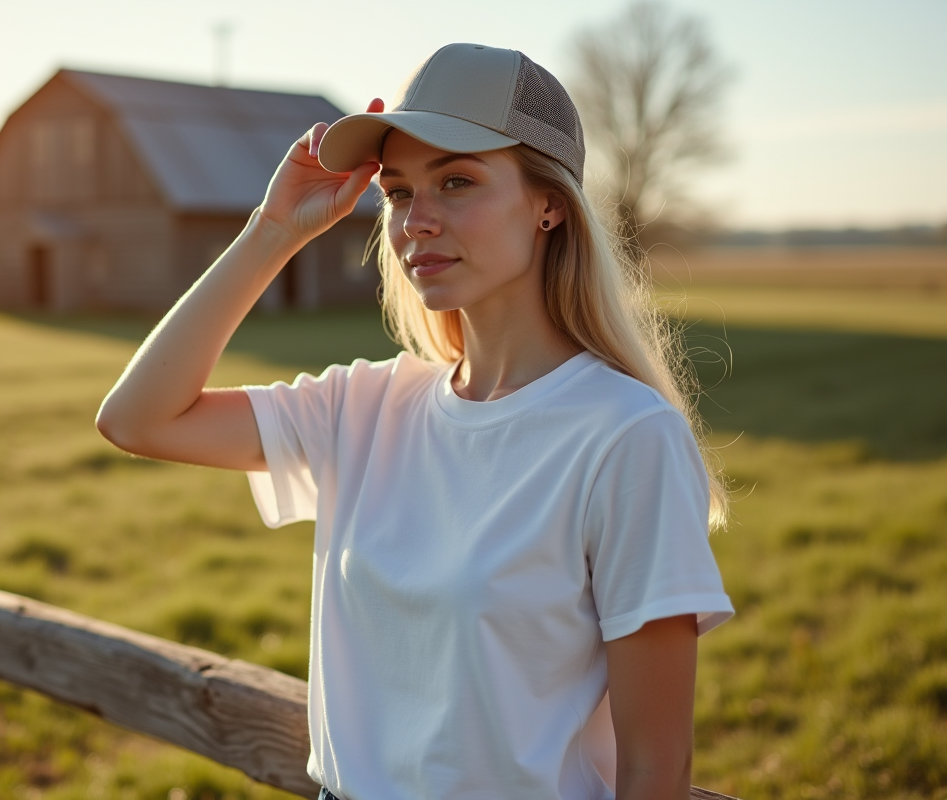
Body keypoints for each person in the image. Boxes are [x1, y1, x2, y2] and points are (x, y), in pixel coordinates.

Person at [97, 43, 734, 800]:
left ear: (549, 204)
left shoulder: (627, 437)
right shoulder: (364, 406)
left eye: (456, 181)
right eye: (398, 192)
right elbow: (138, 419)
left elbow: (657, 769)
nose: (415, 223)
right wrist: (274, 230)